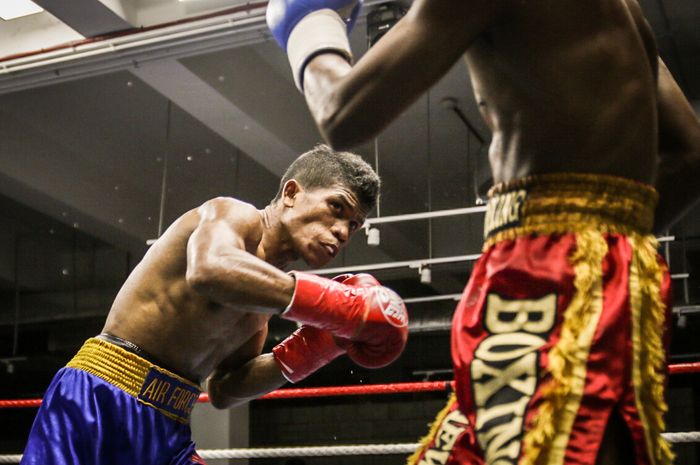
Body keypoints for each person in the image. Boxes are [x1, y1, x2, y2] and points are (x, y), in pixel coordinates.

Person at [266, 0, 700, 463]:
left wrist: (307, 23)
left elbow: (343, 112)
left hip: (548, 267)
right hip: (598, 261)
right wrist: (602, 236)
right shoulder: (626, 12)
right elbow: (690, 156)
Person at [20, 144, 409, 465]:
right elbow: (209, 270)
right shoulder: (233, 216)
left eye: (354, 225)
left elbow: (225, 390)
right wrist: (333, 306)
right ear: (291, 194)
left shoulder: (261, 303)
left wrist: (318, 347)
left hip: (169, 426)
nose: (342, 231)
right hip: (100, 397)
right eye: (336, 208)